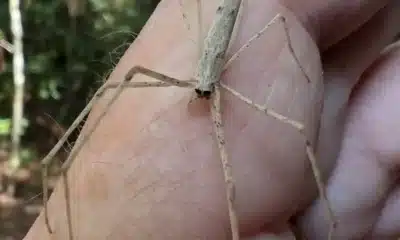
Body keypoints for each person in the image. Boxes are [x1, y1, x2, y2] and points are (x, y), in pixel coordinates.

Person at [24, 0, 400, 239]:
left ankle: (330, 219)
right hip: (203, 73)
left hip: (221, 63)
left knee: (278, 143)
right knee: (130, 77)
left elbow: (299, 128)